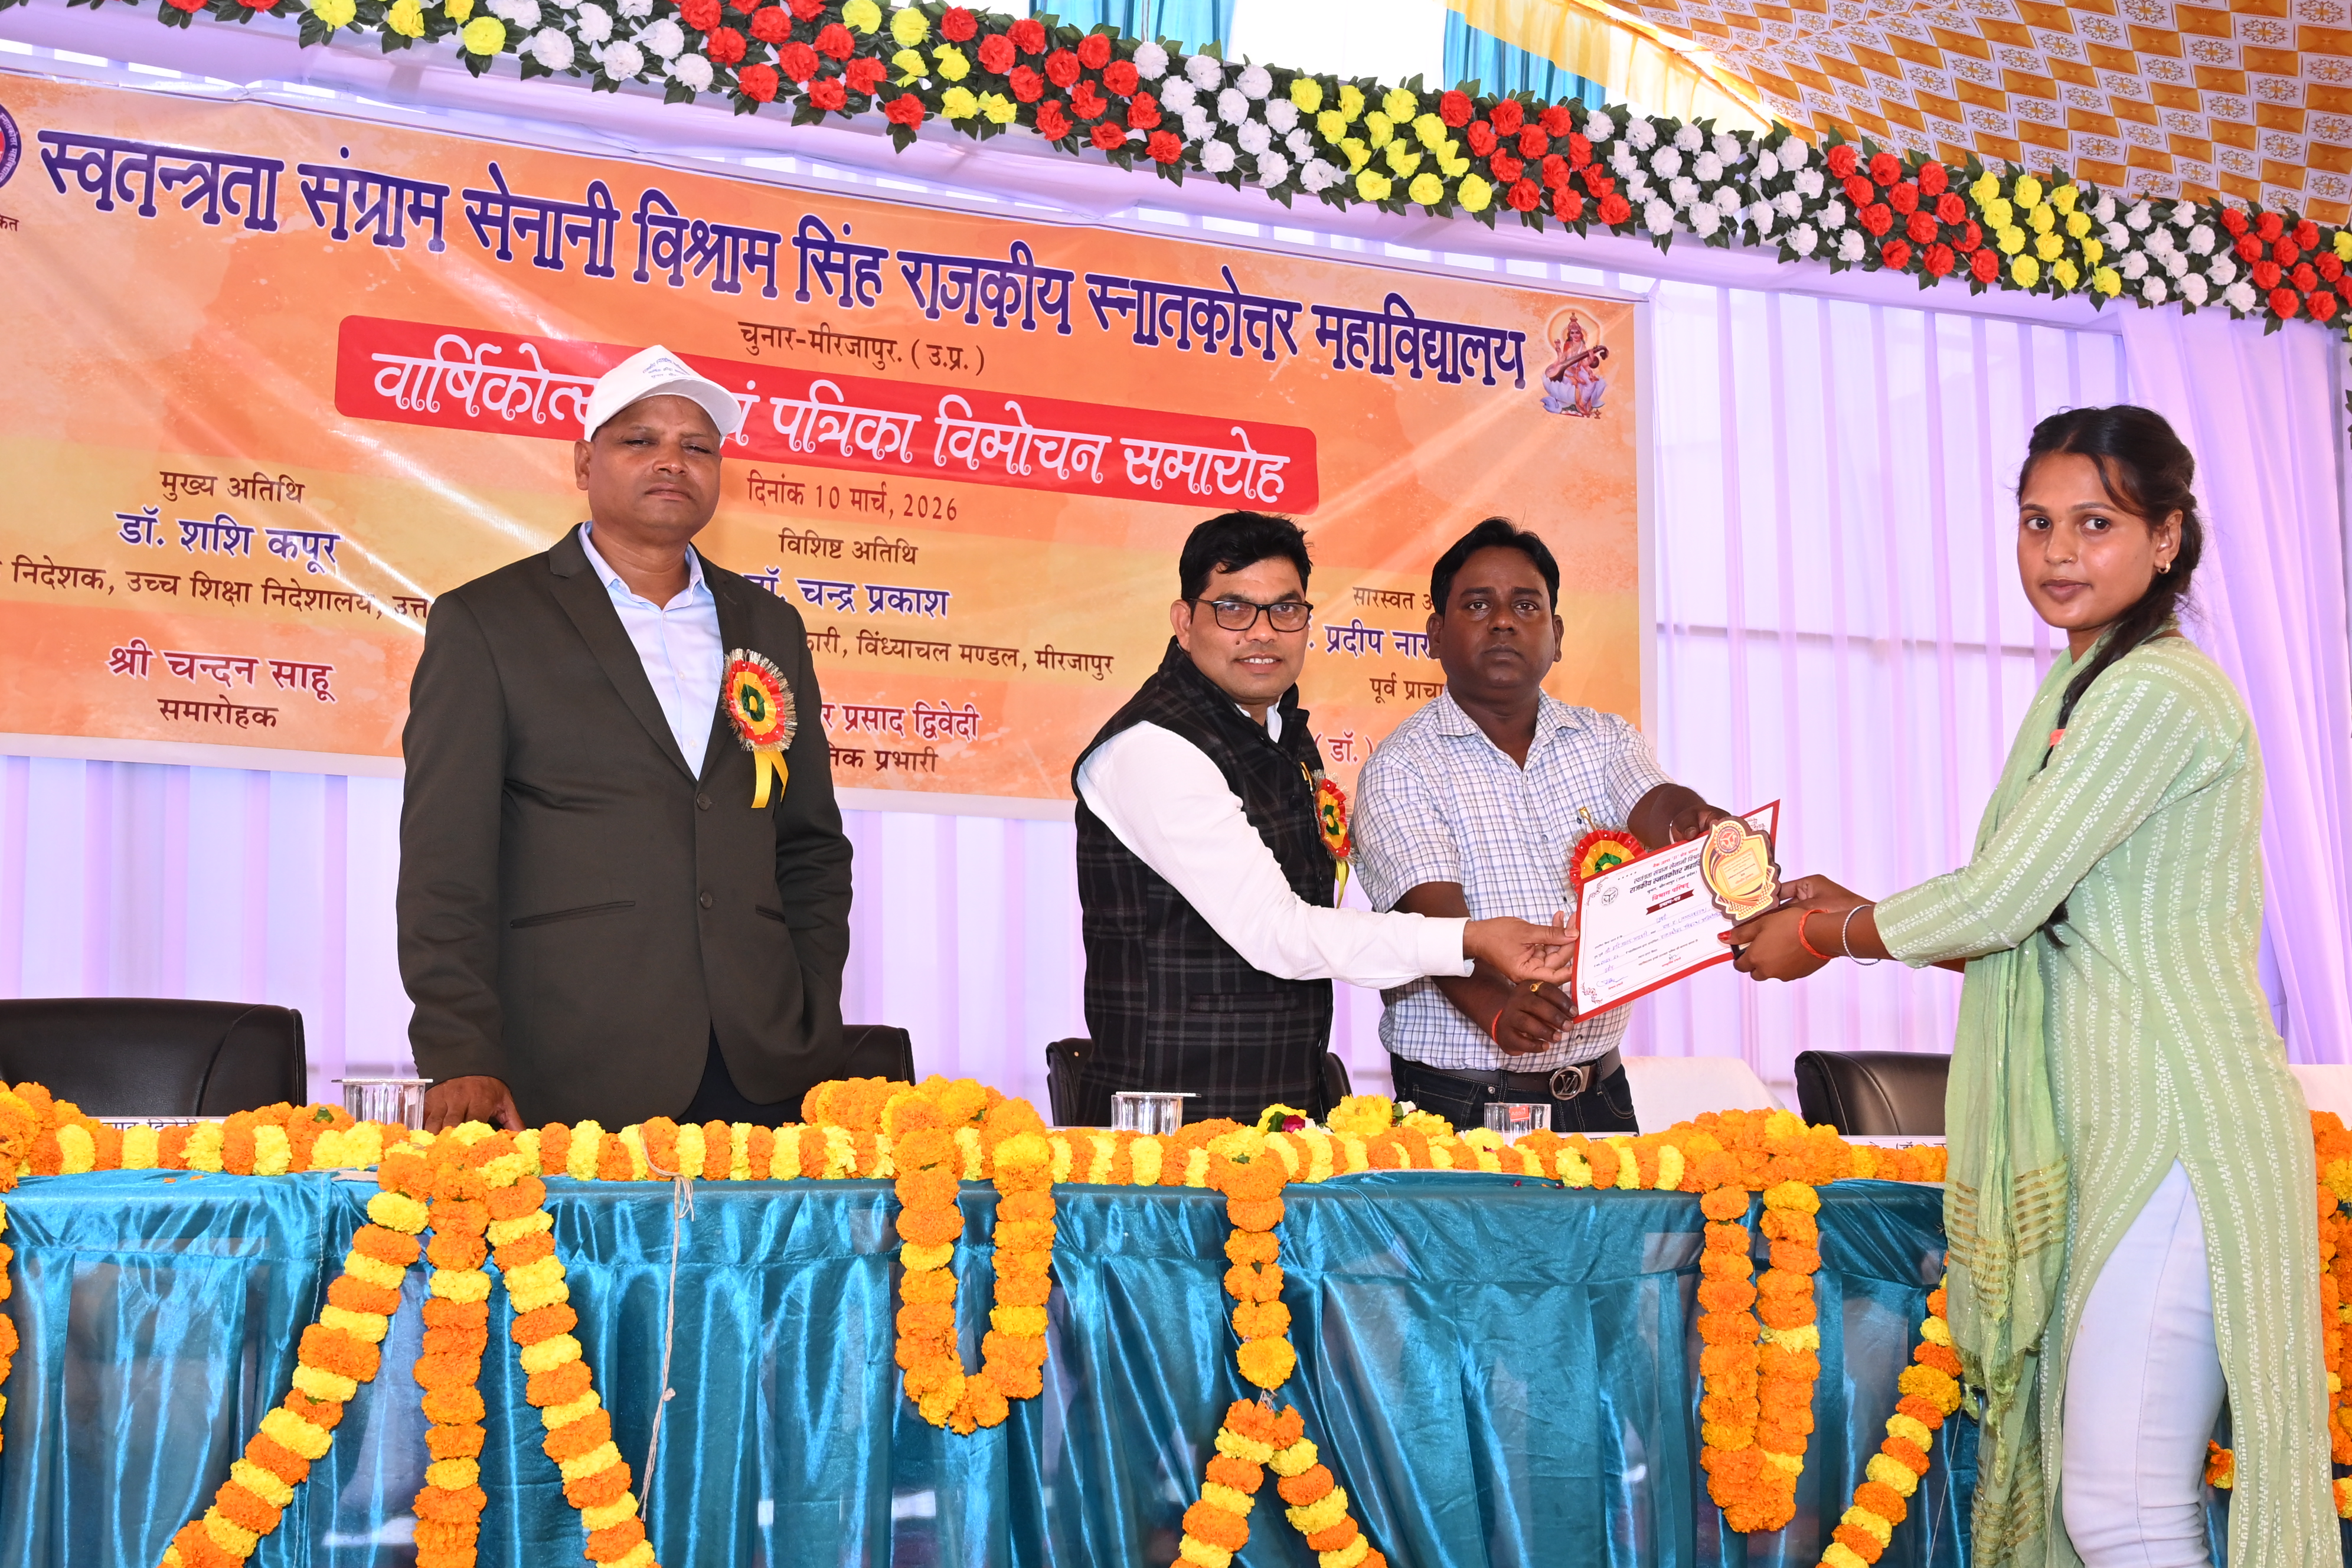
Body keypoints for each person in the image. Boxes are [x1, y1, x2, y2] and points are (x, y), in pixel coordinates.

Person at [1726, 406, 2333, 1567]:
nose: (2058, 551)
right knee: (2110, 1499)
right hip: (2122, 1124)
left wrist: (1824, 931)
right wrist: (1853, 909)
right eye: (2036, 521)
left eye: (2095, 523)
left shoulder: (2155, 693)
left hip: (2177, 1123)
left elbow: (2004, 899)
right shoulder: (2080, 690)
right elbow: (2053, 928)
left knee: (2121, 1509)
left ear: (2165, 538)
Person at [398, 345, 852, 1133]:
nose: (673, 461)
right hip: (570, 1061)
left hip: (765, 1065)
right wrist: (459, 1047)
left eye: (698, 447)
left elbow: (810, 843)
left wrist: (810, 1006)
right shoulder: (488, 622)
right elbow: (447, 859)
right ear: (584, 462)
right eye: (640, 440)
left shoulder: (769, 624)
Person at [1070, 511, 1578, 1125]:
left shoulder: (1281, 734)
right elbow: (1279, 934)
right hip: (1167, 1126)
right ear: (1185, 622)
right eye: (1233, 609)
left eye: (1285, 609)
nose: (1263, 633)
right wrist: (1471, 937)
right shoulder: (1153, 748)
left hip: (1280, 1107)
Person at [1353, 518, 1732, 1135]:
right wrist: (1495, 1005)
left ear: (1556, 636)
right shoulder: (1402, 766)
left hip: (1601, 1091)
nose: (1504, 621)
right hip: (1460, 1101)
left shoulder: (1604, 738)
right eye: (1478, 605)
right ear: (1436, 635)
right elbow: (1431, 924)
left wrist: (1693, 819)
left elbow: (1655, 801)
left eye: (1526, 606)